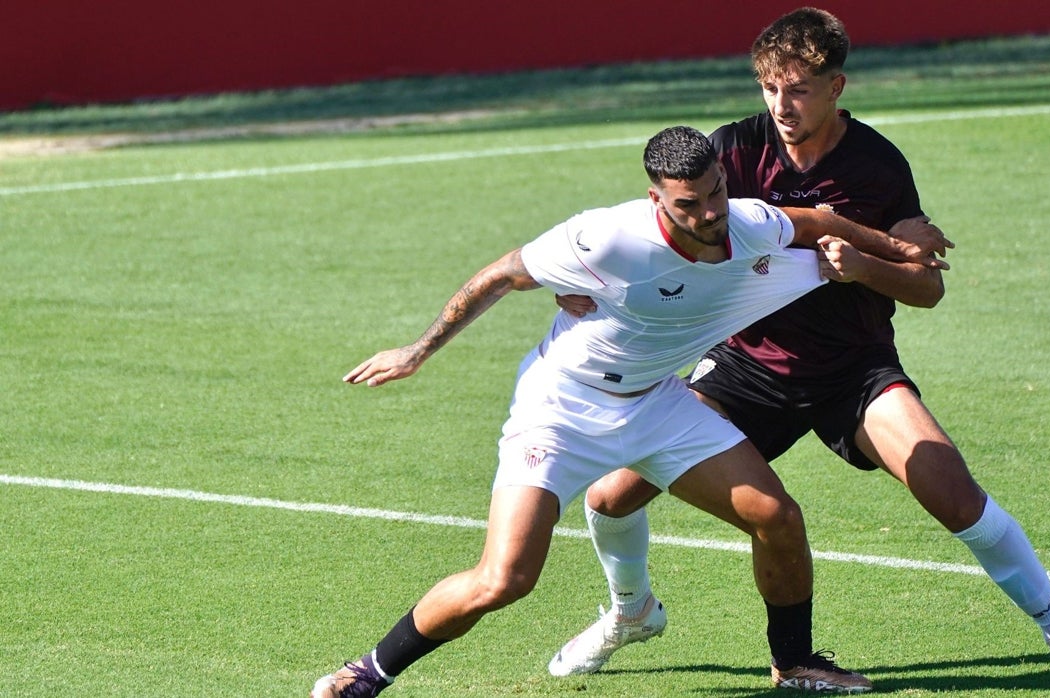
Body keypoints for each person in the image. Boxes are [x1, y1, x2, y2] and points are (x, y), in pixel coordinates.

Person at [547, 7, 1050, 685]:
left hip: (854, 369)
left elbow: (927, 289)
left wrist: (865, 268)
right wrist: (586, 284)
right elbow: (659, 230)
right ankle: (630, 610)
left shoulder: (877, 167)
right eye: (769, 90)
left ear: (836, 87)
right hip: (747, 366)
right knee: (611, 495)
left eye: (798, 91)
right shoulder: (734, 150)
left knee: (953, 492)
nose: (781, 107)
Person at [310, 125, 950, 697]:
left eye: (714, 193)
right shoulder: (606, 239)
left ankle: (795, 662)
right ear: (656, 200)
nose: (708, 214)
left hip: (656, 404)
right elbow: (502, 275)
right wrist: (417, 350)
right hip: (561, 410)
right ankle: (366, 674)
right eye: (688, 204)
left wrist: (897, 251)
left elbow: (814, 221)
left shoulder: (748, 221)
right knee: (504, 578)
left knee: (777, 516)